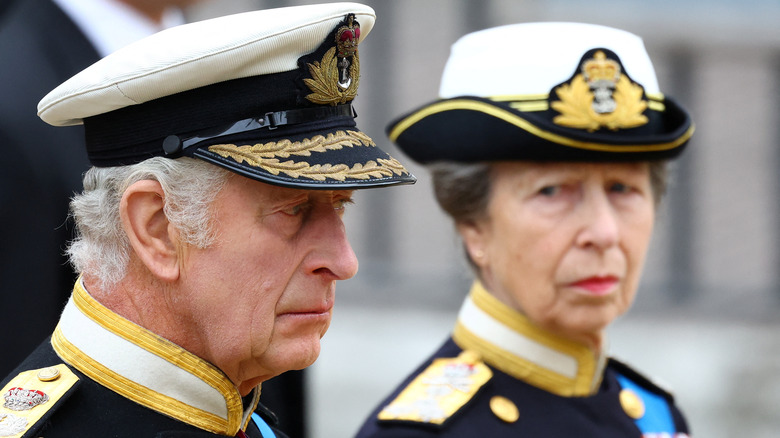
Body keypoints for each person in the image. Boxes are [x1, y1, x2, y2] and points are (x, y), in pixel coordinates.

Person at [0, 3, 415, 437]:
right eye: (292, 210)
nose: (345, 263)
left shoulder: (233, 413)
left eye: (339, 206)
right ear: (157, 227)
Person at [356, 22, 694, 437]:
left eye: (622, 188)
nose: (604, 232)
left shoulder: (653, 416)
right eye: (552, 191)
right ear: (472, 223)